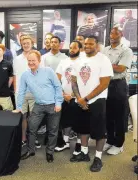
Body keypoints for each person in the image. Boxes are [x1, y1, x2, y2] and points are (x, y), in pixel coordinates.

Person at [70, 36, 113, 172]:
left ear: (97, 45)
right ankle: (84, 153)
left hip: (97, 101)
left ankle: (98, 158)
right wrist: (79, 98)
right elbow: (73, 80)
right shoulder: (80, 58)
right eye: (85, 43)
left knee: (99, 131)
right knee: (83, 128)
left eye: (90, 43)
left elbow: (104, 83)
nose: (87, 45)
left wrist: (86, 99)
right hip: (81, 100)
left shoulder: (103, 59)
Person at [13, 50, 63, 162]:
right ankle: (31, 150)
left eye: (33, 60)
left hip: (53, 105)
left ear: (39, 61)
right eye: (29, 60)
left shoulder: (48, 71)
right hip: (38, 105)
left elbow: (58, 87)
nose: (31, 62)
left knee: (52, 131)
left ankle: (50, 152)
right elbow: (21, 91)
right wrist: (19, 107)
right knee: (31, 128)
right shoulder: (25, 75)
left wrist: (58, 103)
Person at [102, 27, 133, 155]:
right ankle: (110, 140)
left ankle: (119, 144)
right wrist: (111, 64)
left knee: (120, 116)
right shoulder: (105, 50)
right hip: (105, 84)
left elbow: (120, 69)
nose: (112, 35)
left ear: (121, 35)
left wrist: (107, 64)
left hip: (118, 84)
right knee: (108, 115)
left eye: (116, 33)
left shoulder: (126, 50)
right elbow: (101, 66)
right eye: (111, 33)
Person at [54, 41, 83, 152]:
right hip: (64, 97)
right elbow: (57, 79)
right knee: (65, 121)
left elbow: (84, 81)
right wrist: (63, 93)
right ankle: (65, 142)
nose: (72, 49)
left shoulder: (83, 62)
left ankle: (79, 144)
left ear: (80, 49)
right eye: (70, 47)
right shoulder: (63, 61)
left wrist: (72, 95)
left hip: (77, 97)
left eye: (74, 48)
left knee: (79, 122)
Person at [13, 35, 40, 148]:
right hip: (21, 93)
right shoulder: (17, 59)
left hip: (34, 92)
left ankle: (34, 138)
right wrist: (16, 91)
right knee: (22, 116)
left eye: (28, 43)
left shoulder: (37, 56)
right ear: (21, 45)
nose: (26, 45)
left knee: (34, 117)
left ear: (32, 43)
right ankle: (23, 138)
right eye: (24, 43)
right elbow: (15, 76)